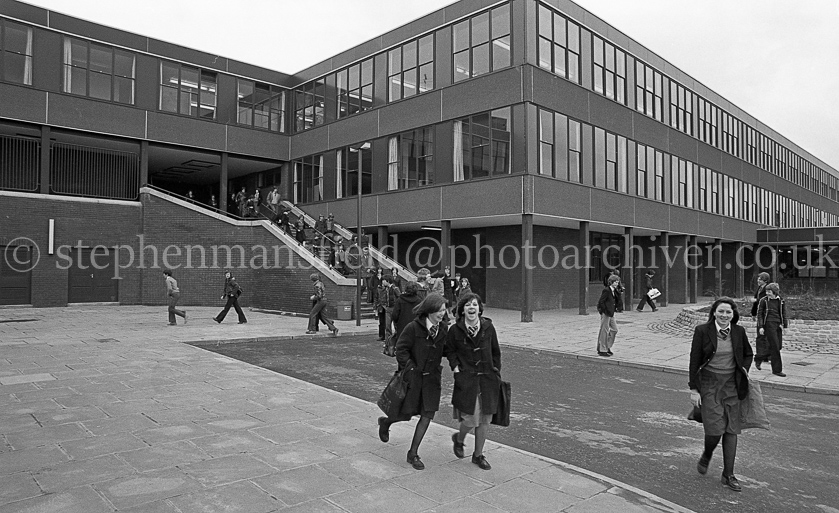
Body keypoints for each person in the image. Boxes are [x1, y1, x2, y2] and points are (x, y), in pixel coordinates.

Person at [377, 293, 449, 471]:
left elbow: (446, 350)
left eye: (444, 310)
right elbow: (401, 350)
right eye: (439, 310)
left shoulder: (443, 329)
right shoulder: (413, 327)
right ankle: (386, 422)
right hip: (414, 379)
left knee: (427, 415)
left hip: (432, 379)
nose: (442, 313)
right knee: (406, 413)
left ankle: (413, 453)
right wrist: (410, 369)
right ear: (430, 310)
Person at [689, 297, 753, 492]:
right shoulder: (702, 331)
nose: (724, 315)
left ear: (733, 314)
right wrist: (694, 389)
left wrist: (744, 369)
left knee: (732, 429)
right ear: (714, 313)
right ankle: (707, 454)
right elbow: (694, 360)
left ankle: (728, 474)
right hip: (709, 384)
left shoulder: (739, 331)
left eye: (728, 312)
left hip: (732, 385)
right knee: (715, 429)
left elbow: (748, 354)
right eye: (721, 311)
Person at [446, 292, 501, 471]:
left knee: (484, 420)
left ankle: (478, 455)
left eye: (475, 304)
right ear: (462, 310)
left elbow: (495, 351)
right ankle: (459, 438)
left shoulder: (488, 327)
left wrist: (496, 370)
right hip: (467, 379)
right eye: (468, 304)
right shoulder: (455, 330)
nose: (472, 307)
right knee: (470, 419)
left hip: (487, 378)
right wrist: (455, 368)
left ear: (479, 309)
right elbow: (450, 351)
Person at [755, 283, 789, 377]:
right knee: (775, 347)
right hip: (768, 324)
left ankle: (759, 358)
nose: (767, 293)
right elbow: (759, 314)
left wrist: (785, 325)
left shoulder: (781, 300)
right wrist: (761, 326)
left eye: (769, 291)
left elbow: (784, 313)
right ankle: (777, 370)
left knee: (778, 346)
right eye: (766, 291)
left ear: (774, 292)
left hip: (778, 325)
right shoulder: (764, 300)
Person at [596, 275, 620, 356]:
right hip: (606, 313)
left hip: (611, 313)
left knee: (614, 329)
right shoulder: (606, 290)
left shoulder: (614, 291)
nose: (617, 284)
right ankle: (602, 349)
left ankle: (607, 346)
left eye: (617, 282)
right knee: (604, 331)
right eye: (615, 282)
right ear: (611, 282)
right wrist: (604, 311)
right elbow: (601, 301)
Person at [751, 272, 770, 366]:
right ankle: (762, 355)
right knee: (760, 336)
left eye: (760, 279)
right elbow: (755, 304)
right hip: (759, 314)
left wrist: (756, 300)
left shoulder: (768, 289)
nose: (758, 281)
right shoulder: (759, 289)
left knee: (763, 336)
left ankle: (765, 355)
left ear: (765, 281)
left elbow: (767, 300)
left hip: (765, 315)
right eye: (758, 279)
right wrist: (753, 314)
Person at [377, 275, 395, 342]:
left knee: (395, 325)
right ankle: (388, 341)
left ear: (388, 281)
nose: (383, 282)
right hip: (387, 308)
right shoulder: (386, 288)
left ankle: (395, 339)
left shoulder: (394, 288)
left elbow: (398, 298)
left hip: (393, 308)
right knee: (387, 326)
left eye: (384, 280)